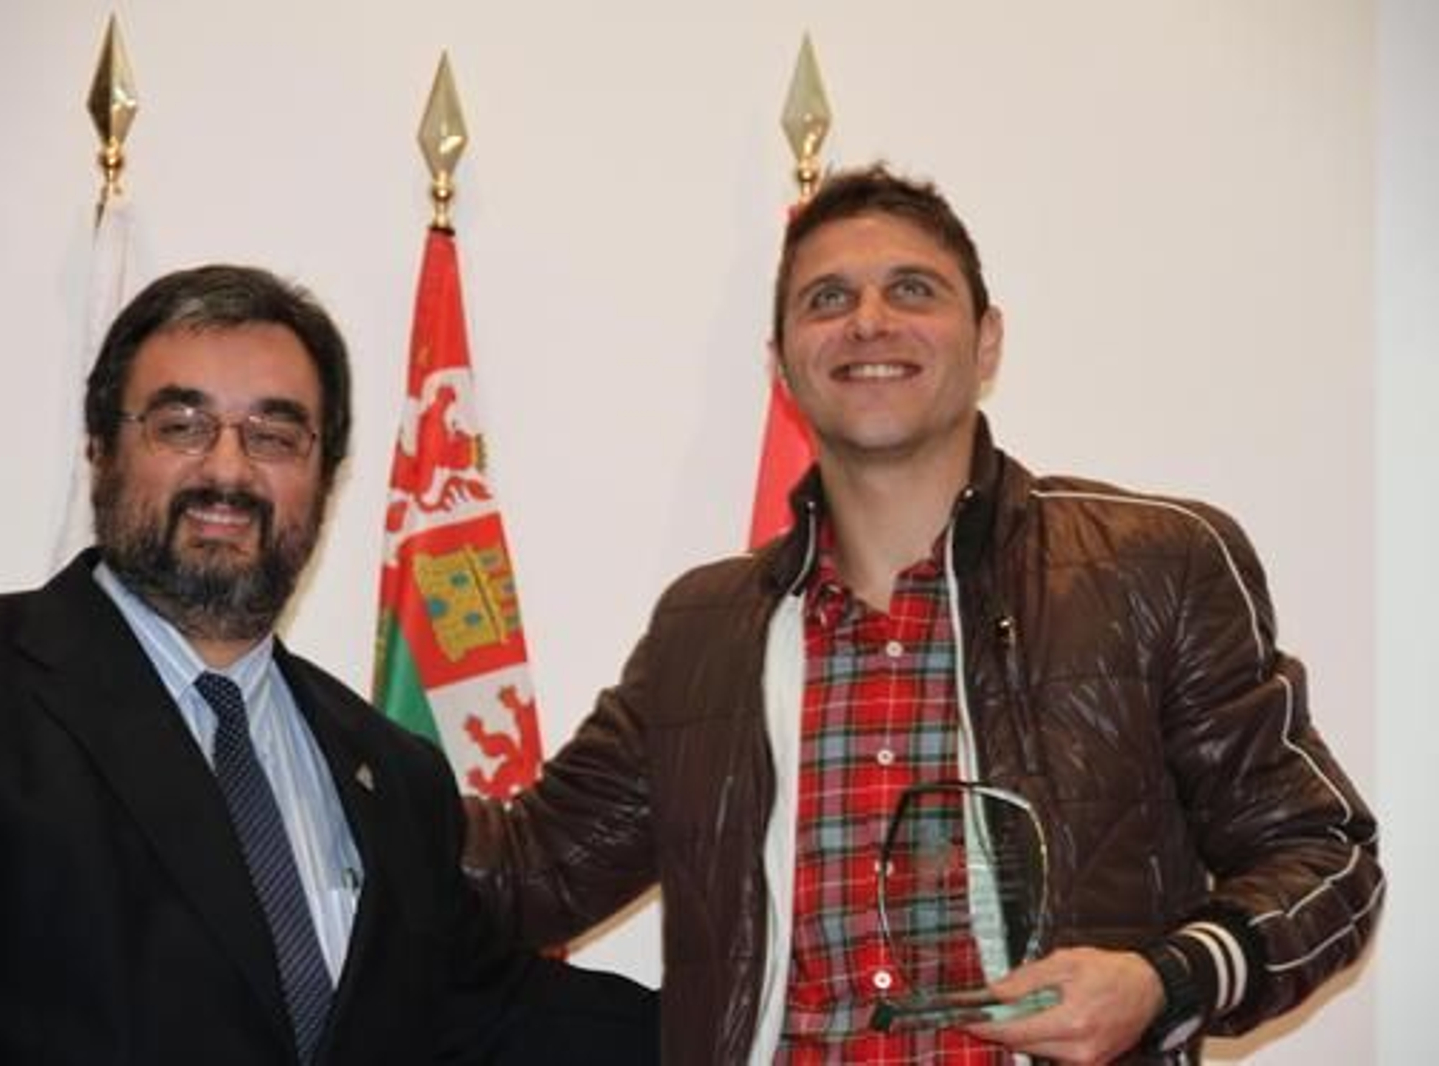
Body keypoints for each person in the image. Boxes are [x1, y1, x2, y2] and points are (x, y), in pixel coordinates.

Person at [464, 166, 1383, 1064]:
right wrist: (369, 761)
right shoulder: (703, 630)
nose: (868, 320)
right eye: (827, 298)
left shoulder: (1154, 567)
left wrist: (1162, 982)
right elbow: (526, 873)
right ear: (781, 363)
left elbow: (1325, 857)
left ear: (987, 343)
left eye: (912, 289)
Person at [0, 264, 655, 1065]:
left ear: (325, 478)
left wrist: (741, 1020)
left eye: (273, 436)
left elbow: (489, 1015)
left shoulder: (397, 777)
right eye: (181, 425)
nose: (227, 471)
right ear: (100, 449)